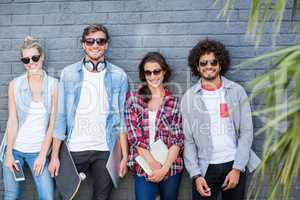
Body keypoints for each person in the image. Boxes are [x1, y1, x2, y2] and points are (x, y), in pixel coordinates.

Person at [48, 24, 129, 200]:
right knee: (61, 196)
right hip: (74, 148)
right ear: (83, 44)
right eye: (90, 41)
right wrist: (55, 156)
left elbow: (121, 119)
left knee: (102, 197)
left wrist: (124, 156)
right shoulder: (69, 74)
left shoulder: (119, 76)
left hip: (105, 149)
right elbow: (60, 119)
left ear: (106, 44)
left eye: (100, 41)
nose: (95, 45)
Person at [181, 39, 261, 200]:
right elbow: (187, 140)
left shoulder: (236, 91)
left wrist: (238, 168)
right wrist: (196, 175)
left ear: (220, 64)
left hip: (234, 163)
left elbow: (246, 132)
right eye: (203, 63)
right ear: (197, 66)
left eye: (213, 62)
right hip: (205, 169)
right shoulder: (189, 97)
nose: (208, 66)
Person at [0, 36, 58, 200]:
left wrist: (42, 155)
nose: (31, 62)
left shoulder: (54, 85)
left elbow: (52, 124)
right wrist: (9, 153)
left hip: (37, 152)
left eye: (35, 57)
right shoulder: (15, 85)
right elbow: (12, 120)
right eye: (26, 59)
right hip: (15, 149)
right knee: (11, 195)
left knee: (47, 196)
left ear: (42, 57)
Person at [125, 52, 184, 200]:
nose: (153, 76)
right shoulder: (134, 101)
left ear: (164, 71)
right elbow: (134, 137)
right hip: (144, 164)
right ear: (143, 74)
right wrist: (152, 164)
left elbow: (177, 139)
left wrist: (164, 169)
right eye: (148, 72)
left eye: (156, 71)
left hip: (170, 166)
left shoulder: (173, 102)